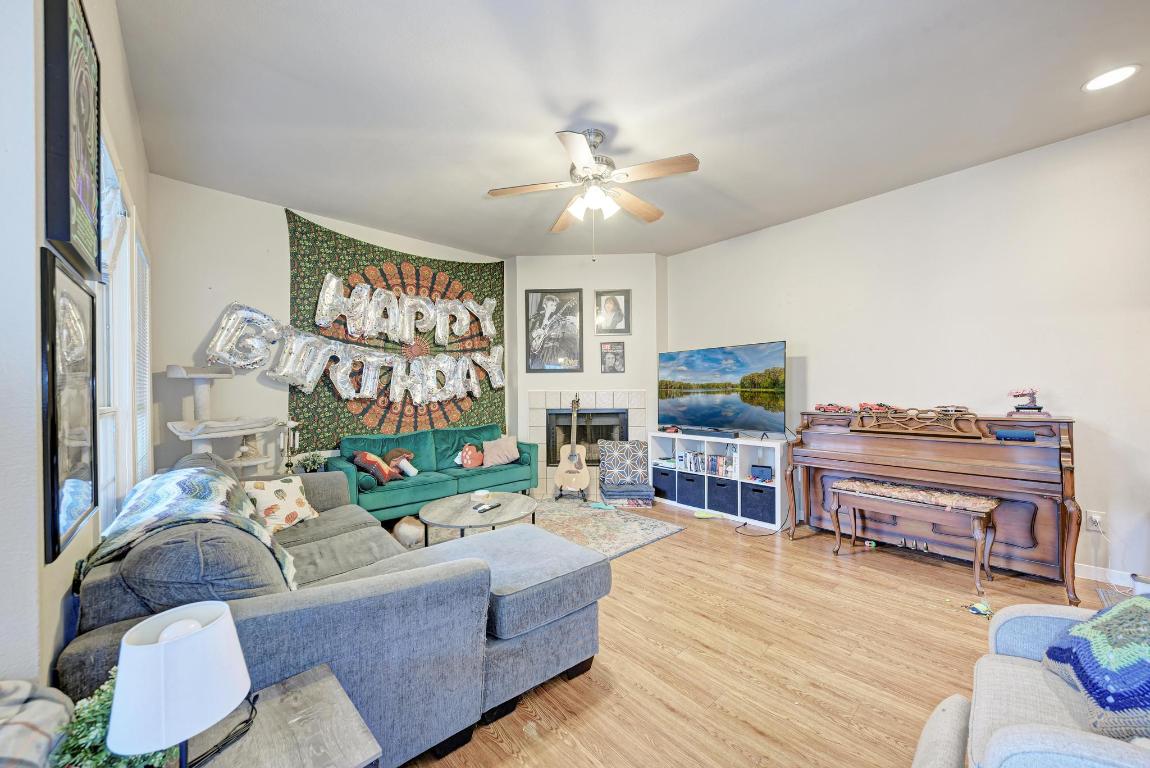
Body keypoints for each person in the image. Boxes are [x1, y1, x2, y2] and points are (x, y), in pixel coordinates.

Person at [528, 294, 578, 369]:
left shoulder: (557, 320)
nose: (554, 307)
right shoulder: (535, 319)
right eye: (551, 305)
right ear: (544, 305)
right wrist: (534, 334)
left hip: (550, 356)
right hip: (536, 356)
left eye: (555, 305)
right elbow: (526, 338)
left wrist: (576, 322)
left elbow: (569, 334)